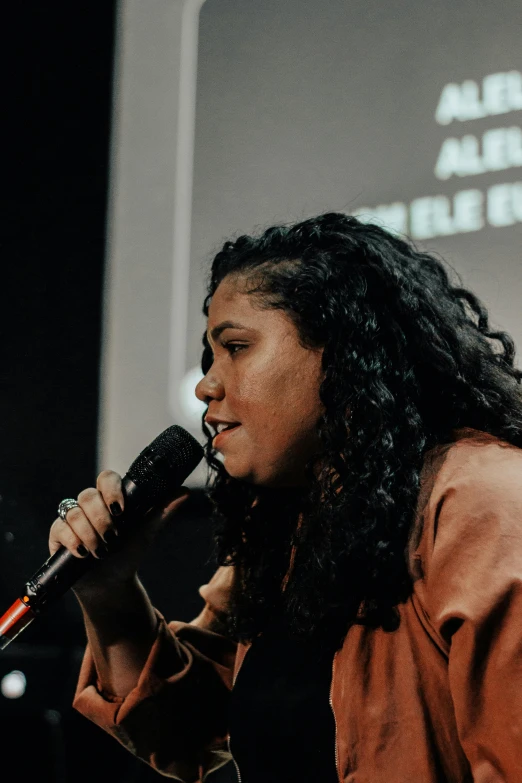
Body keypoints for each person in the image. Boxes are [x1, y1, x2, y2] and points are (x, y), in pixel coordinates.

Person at [49, 213, 522, 782]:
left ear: (345, 350)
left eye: (237, 347)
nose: (205, 384)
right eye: (209, 356)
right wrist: (108, 593)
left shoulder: (482, 501)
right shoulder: (288, 527)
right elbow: (188, 733)